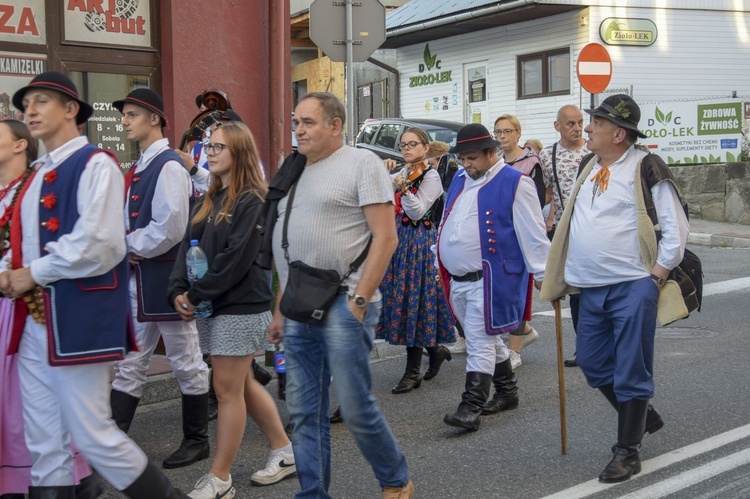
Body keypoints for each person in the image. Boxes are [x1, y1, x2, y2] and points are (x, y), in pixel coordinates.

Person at [1, 71, 188, 496]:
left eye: (42, 101)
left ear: (71, 111)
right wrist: (10, 269)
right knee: (44, 439)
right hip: (32, 323)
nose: (30, 109)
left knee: (92, 434)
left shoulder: (95, 163)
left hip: (79, 319)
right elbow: (23, 244)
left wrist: (33, 273)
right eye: (27, 103)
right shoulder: (34, 175)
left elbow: (102, 244)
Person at [267, 92, 413, 498]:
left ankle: (396, 480)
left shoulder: (362, 163)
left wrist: (360, 301)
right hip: (299, 304)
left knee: (353, 406)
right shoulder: (293, 169)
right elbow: (285, 245)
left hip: (344, 302)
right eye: (296, 122)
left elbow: (386, 238)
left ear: (335, 125)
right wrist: (280, 308)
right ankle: (313, 495)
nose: (298, 130)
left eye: (308, 122)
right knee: (303, 413)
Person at [540, 94, 689, 483]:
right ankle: (639, 414)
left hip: (632, 286)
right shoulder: (591, 164)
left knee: (630, 368)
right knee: (591, 363)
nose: (587, 128)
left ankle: (627, 451)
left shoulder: (646, 166)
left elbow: (677, 230)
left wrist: (655, 278)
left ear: (618, 133)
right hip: (588, 288)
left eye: (596, 123)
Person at [169, 121, 295, 498]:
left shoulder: (252, 199)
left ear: (238, 152)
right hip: (211, 302)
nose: (209, 152)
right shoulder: (209, 197)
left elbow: (235, 260)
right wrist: (177, 289)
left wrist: (193, 295)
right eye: (209, 146)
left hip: (241, 305)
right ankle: (285, 451)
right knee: (240, 383)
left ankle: (220, 477)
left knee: (225, 389)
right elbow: (185, 247)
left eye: (218, 147)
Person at [108, 88, 211, 470]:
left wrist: (125, 245)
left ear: (154, 118)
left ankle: (197, 440)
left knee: (186, 360)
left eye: (132, 114)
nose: (124, 121)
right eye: (125, 115)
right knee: (130, 360)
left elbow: (170, 228)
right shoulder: (141, 166)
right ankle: (112, 444)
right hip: (141, 275)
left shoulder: (167, 165)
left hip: (167, 279)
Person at [0, 119, 102, 498]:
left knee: (29, 405)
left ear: (19, 146)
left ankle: (52, 477)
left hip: (25, 305)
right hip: (8, 301)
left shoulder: (35, 187)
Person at [437, 123, 549, 431]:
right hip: (458, 278)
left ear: (491, 152)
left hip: (491, 278)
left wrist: (545, 275)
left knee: (479, 340)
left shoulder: (516, 182)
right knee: (483, 337)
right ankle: (507, 392)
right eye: (462, 158)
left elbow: (534, 234)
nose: (466, 164)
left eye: (472, 158)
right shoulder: (461, 178)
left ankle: (470, 406)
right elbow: (452, 219)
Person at [377, 128, 455, 394]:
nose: (407, 149)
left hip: (421, 241)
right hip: (400, 239)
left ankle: (412, 372)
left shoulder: (431, 176)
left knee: (415, 299)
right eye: (403, 146)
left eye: (412, 144)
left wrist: (403, 188)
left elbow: (418, 209)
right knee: (408, 298)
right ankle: (435, 350)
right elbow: (379, 189)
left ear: (425, 148)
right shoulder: (402, 172)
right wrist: (382, 171)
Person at [493, 114, 546, 370]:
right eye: (498, 132)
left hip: (520, 232)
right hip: (501, 232)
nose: (502, 136)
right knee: (501, 292)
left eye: (507, 131)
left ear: (518, 133)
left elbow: (536, 201)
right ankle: (524, 330)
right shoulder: (497, 163)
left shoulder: (531, 162)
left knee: (517, 292)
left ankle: (514, 350)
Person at [538, 104, 589, 367]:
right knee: (576, 292)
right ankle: (585, 347)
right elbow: (546, 192)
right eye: (570, 123)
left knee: (596, 290)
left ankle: (599, 345)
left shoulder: (593, 151)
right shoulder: (548, 155)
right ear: (557, 126)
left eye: (580, 122)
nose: (577, 128)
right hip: (564, 233)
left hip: (592, 232)